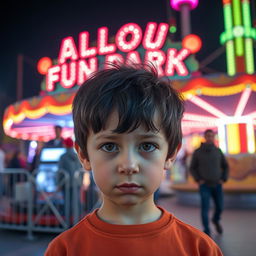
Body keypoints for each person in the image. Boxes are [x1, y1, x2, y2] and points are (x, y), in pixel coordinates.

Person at [45, 64, 223, 256]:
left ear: (170, 154)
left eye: (147, 146)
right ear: (83, 155)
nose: (129, 165)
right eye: (109, 146)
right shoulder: (64, 250)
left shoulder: (199, 249)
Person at [189, 129, 229, 236]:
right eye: (208, 136)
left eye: (212, 136)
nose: (210, 138)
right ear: (205, 137)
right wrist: (198, 179)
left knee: (220, 207)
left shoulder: (218, 151)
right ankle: (206, 231)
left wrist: (223, 178)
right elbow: (192, 168)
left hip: (217, 184)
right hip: (204, 185)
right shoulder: (198, 152)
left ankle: (215, 220)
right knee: (205, 208)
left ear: (213, 137)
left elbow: (225, 166)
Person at [58, 137, 82, 212]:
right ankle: (77, 219)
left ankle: (67, 220)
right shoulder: (78, 156)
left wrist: (58, 183)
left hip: (66, 183)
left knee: (67, 202)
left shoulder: (63, 157)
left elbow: (60, 171)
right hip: (77, 182)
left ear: (65, 145)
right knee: (76, 200)